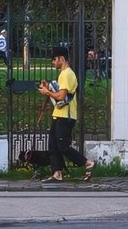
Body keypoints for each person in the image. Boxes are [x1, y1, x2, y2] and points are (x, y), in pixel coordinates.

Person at [38, 46, 95, 184]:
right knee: (53, 145)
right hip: (59, 114)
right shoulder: (63, 74)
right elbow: (59, 91)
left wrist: (47, 92)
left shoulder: (67, 74)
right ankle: (57, 173)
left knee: (63, 146)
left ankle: (87, 163)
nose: (53, 62)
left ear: (61, 59)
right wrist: (49, 87)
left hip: (66, 116)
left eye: (54, 59)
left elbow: (61, 96)